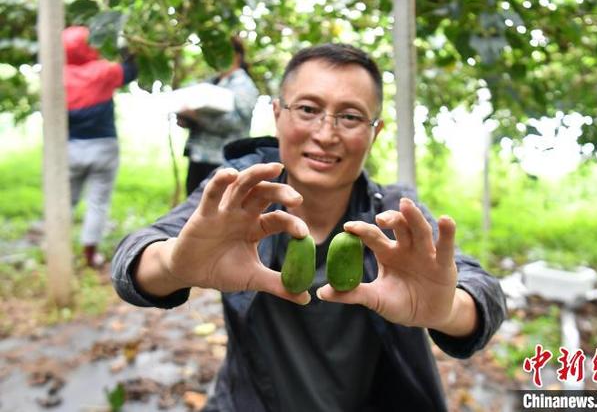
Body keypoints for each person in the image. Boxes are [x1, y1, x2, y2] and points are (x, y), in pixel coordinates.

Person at [112, 43, 506, 411]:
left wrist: (448, 310)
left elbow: (481, 289)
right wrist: (173, 265)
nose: (325, 134)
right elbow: (137, 256)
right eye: (308, 109)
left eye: (350, 117)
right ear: (278, 113)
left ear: (375, 132)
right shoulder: (239, 197)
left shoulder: (390, 214)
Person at [63, 25, 137, 267]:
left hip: (70, 148)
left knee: (66, 200)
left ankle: (57, 248)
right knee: (98, 202)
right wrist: (126, 43)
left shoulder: (59, 76)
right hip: (103, 147)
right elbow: (130, 70)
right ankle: (89, 255)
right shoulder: (104, 71)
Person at [178, 35, 259, 195]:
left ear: (236, 55)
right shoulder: (211, 82)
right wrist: (185, 117)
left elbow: (236, 124)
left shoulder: (243, 85)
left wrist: (197, 117)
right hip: (199, 157)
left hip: (223, 160)